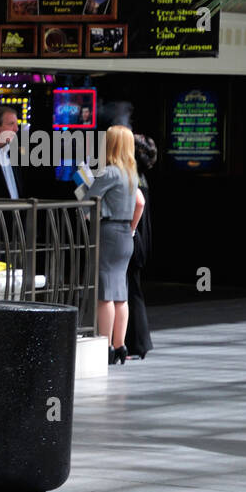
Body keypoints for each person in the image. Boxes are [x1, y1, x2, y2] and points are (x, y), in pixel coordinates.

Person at [77, 124, 145, 365]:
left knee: (105, 293)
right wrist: (133, 228)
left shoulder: (109, 172)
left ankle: (104, 345)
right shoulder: (131, 173)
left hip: (107, 232)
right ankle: (120, 345)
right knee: (120, 293)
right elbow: (140, 202)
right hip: (125, 233)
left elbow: (87, 201)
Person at [125, 134, 156, 359]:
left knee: (128, 290)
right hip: (141, 236)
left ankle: (136, 342)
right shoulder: (142, 175)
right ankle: (139, 342)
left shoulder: (131, 176)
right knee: (133, 288)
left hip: (131, 235)